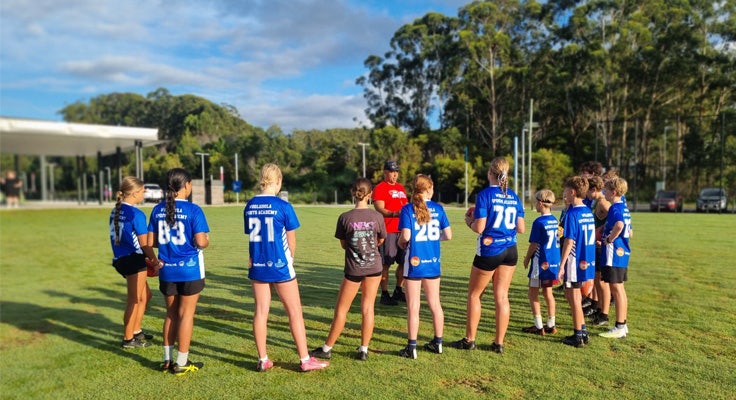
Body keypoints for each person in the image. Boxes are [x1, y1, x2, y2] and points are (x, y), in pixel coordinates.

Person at [244, 163, 329, 372]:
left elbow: (253, 236)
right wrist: (289, 260)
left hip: (257, 264)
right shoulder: (283, 206)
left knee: (261, 312)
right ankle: (305, 359)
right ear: (279, 181)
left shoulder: (250, 205)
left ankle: (263, 359)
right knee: (294, 312)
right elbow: (291, 242)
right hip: (281, 266)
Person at [451, 157, 525, 354]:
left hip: (490, 249)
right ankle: (498, 343)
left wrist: (468, 221)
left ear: (490, 173)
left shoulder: (485, 195)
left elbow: (480, 227)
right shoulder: (514, 197)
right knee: (502, 297)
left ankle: (469, 340)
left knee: (475, 295)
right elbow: (521, 228)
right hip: (510, 250)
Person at [310, 178, 386, 361]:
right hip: (374, 267)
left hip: (354, 269)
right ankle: (364, 349)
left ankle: (327, 348)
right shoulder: (377, 217)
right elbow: (380, 240)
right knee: (368, 308)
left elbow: (344, 244)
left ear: (353, 193)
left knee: (342, 310)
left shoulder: (345, 217)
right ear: (370, 195)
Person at [148, 168, 210, 375]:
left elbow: (150, 242)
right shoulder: (194, 210)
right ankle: (181, 362)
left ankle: (167, 359)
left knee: (171, 314)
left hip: (167, 270)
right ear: (187, 185)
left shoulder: (157, 210)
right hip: (190, 270)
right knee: (186, 315)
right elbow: (201, 241)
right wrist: (205, 240)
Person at [397, 174, 452, 359]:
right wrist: (435, 240)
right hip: (433, 262)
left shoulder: (407, 209)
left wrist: (400, 243)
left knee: (413, 306)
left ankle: (411, 347)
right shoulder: (438, 208)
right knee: (435, 304)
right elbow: (448, 235)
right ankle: (438, 342)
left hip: (414, 262)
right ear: (429, 189)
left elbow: (405, 237)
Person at [109, 176, 158, 349]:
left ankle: (136, 331)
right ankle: (128, 339)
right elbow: (144, 244)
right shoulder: (137, 214)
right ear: (135, 192)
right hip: (133, 259)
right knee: (134, 300)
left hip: (122, 258)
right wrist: (155, 261)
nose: (144, 193)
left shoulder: (116, 210)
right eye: (142, 190)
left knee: (146, 296)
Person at [558, 176, 597, 348]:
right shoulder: (587, 211)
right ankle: (583, 330)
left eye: (565, 192)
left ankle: (578, 335)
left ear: (572, 192)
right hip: (587, 259)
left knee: (574, 297)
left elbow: (569, 241)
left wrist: (561, 264)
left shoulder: (572, 213)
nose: (563, 195)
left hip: (574, 260)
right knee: (573, 295)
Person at [521, 189, 560, 336]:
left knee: (532, 293)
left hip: (540, 261)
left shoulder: (539, 222)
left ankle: (538, 326)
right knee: (548, 292)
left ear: (540, 203)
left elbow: (534, 244)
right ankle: (551, 324)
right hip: (553, 261)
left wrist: (526, 259)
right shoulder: (554, 220)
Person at [599, 177, 633, 339]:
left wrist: (609, 239)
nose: (603, 192)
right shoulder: (624, 208)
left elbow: (619, 225)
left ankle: (619, 326)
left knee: (616, 289)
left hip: (614, 254)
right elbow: (630, 231)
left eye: (605, 190)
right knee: (619, 289)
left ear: (613, 192)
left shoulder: (615, 208)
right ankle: (623, 324)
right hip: (622, 253)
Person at [372, 160, 409, 305]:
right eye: (392, 171)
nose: (395, 174)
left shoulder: (401, 188)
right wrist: (395, 214)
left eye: (396, 171)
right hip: (388, 230)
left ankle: (398, 290)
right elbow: (379, 208)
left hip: (403, 230)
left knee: (404, 262)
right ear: (385, 172)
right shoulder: (380, 187)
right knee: (386, 263)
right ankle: (384, 293)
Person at [585, 176, 612, 325]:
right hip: (595, 245)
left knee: (602, 282)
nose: (586, 194)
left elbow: (614, 221)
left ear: (594, 189)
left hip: (601, 246)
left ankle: (604, 314)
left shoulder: (603, 203)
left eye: (588, 191)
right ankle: (599, 308)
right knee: (596, 279)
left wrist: (601, 233)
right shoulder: (597, 202)